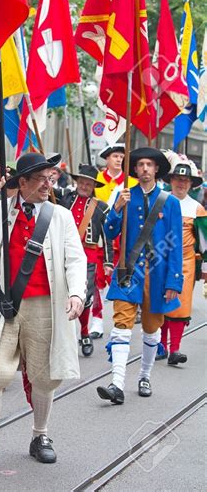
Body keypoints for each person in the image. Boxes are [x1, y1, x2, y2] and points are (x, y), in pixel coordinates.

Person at [0, 153, 87, 472]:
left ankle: (40, 436)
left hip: (46, 306)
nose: (47, 184)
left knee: (45, 376)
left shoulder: (60, 216)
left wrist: (76, 294)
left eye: (50, 177)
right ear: (22, 183)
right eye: (40, 178)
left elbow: (75, 259)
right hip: (5, 304)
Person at [97, 148, 183, 405]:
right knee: (121, 327)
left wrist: (174, 281)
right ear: (134, 170)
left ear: (157, 169)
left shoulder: (170, 202)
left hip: (157, 275)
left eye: (150, 165)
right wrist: (116, 209)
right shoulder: (124, 195)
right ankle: (117, 384)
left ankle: (144, 375)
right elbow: (109, 232)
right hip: (128, 270)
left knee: (150, 327)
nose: (145, 168)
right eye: (140, 165)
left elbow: (175, 245)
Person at [58, 164, 113, 357]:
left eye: (88, 183)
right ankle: (60, 336)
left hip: (87, 258)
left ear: (93, 186)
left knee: (84, 295)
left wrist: (107, 262)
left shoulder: (101, 208)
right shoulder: (64, 199)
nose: (83, 185)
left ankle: (84, 332)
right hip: (61, 253)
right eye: (81, 181)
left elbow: (107, 237)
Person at [158, 157, 206, 365]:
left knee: (180, 304)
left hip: (185, 262)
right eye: (178, 178)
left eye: (185, 180)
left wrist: (204, 269)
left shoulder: (197, 209)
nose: (181, 183)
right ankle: (160, 345)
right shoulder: (160, 200)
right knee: (160, 302)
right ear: (172, 180)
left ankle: (174, 349)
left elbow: (204, 243)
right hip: (160, 258)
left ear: (191, 184)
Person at [90, 144, 138, 340]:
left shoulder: (132, 182)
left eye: (122, 157)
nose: (119, 160)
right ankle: (97, 320)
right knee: (98, 280)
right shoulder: (96, 180)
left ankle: (124, 320)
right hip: (102, 237)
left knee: (125, 281)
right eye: (115, 156)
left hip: (125, 239)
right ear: (107, 159)